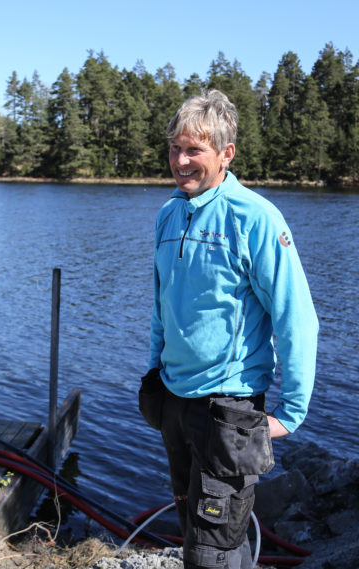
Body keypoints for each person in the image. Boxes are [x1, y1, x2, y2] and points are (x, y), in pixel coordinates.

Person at [139, 89, 318, 569]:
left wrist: (292, 412)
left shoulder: (255, 217)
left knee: (211, 551)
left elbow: (296, 316)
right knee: (197, 531)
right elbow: (163, 303)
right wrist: (154, 371)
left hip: (229, 407)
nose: (180, 160)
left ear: (226, 153)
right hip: (174, 399)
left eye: (194, 149)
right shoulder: (168, 214)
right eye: (175, 147)